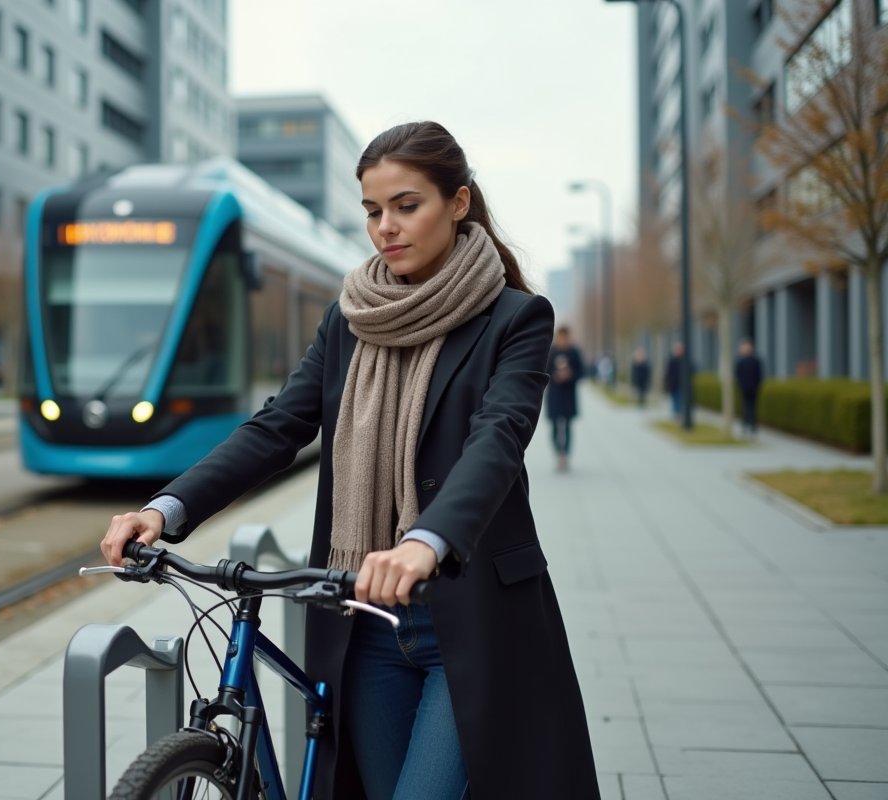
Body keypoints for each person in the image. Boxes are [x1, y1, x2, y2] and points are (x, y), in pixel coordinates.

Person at [101, 122, 599, 800]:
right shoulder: (349, 317)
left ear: (457, 203)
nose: (385, 227)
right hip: (360, 620)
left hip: (471, 617)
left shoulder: (515, 319)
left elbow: (498, 439)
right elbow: (279, 426)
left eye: (406, 205)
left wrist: (427, 540)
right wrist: (165, 508)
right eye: (372, 210)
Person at [546, 326, 584, 472]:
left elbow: (581, 372)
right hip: (554, 395)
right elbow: (545, 370)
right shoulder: (552, 352)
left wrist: (570, 375)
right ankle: (558, 453)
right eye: (561, 337)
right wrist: (555, 376)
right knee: (555, 426)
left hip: (568, 395)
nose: (563, 340)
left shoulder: (574, 352)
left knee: (568, 426)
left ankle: (565, 455)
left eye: (565, 337)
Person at [735, 338, 763, 437]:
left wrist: (758, 385)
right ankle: (745, 424)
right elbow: (737, 375)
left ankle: (752, 425)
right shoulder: (740, 362)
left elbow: (759, 375)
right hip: (744, 388)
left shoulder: (755, 361)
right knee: (745, 406)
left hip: (753, 388)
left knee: (753, 407)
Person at [665, 340, 688, 416]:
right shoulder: (672, 360)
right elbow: (668, 372)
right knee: (675, 399)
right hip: (674, 384)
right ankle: (677, 414)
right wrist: (668, 382)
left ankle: (679, 413)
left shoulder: (685, 360)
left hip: (683, 384)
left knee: (681, 399)